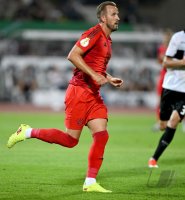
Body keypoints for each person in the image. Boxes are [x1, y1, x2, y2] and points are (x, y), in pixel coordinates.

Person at [7, 1, 123, 193]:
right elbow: (73, 55)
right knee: (71, 141)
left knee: (102, 135)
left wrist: (109, 78)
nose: (117, 17)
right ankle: (26, 132)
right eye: (113, 14)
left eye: (117, 14)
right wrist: (94, 76)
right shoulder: (94, 33)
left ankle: (90, 182)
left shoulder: (108, 40)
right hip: (79, 92)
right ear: (103, 18)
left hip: (93, 95)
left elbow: (96, 66)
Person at [148, 30, 185, 168]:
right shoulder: (179, 38)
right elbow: (165, 63)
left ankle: (154, 158)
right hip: (170, 87)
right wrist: (182, 62)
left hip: (184, 92)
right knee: (163, 126)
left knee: (174, 121)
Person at [152, 29, 173, 132]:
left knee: (178, 101)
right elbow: (160, 60)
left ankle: (181, 122)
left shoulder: (175, 48)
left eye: (168, 37)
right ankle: (160, 122)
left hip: (174, 76)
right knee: (160, 100)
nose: (166, 38)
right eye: (166, 37)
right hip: (164, 75)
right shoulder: (161, 48)